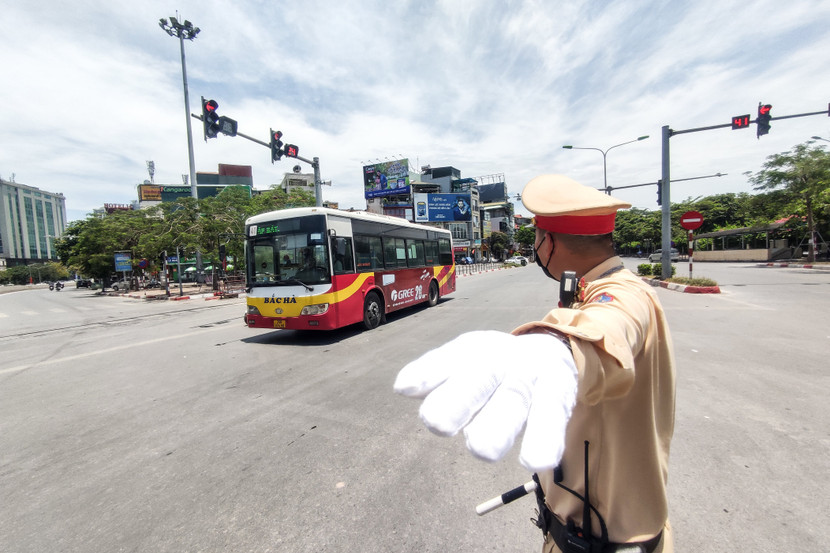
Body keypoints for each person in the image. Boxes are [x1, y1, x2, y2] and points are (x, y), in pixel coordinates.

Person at [394, 174, 675, 552]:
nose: (534, 247)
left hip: (604, 543)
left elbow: (608, 330)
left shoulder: (622, 295)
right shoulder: (600, 286)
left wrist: (554, 351)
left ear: (550, 241)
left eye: (536, 237)